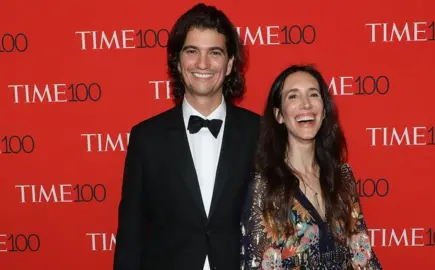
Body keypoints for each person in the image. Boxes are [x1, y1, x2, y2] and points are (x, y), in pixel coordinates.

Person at [113, 3, 260, 270]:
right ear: (178, 62)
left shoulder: (260, 133)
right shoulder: (146, 138)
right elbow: (130, 235)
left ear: (229, 65)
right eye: (192, 51)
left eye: (214, 53)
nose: (202, 64)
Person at [240, 65, 382, 269]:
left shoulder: (342, 177)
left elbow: (363, 257)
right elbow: (257, 264)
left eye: (313, 95)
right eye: (293, 97)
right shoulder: (265, 187)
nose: (305, 104)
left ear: (324, 111)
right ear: (279, 115)